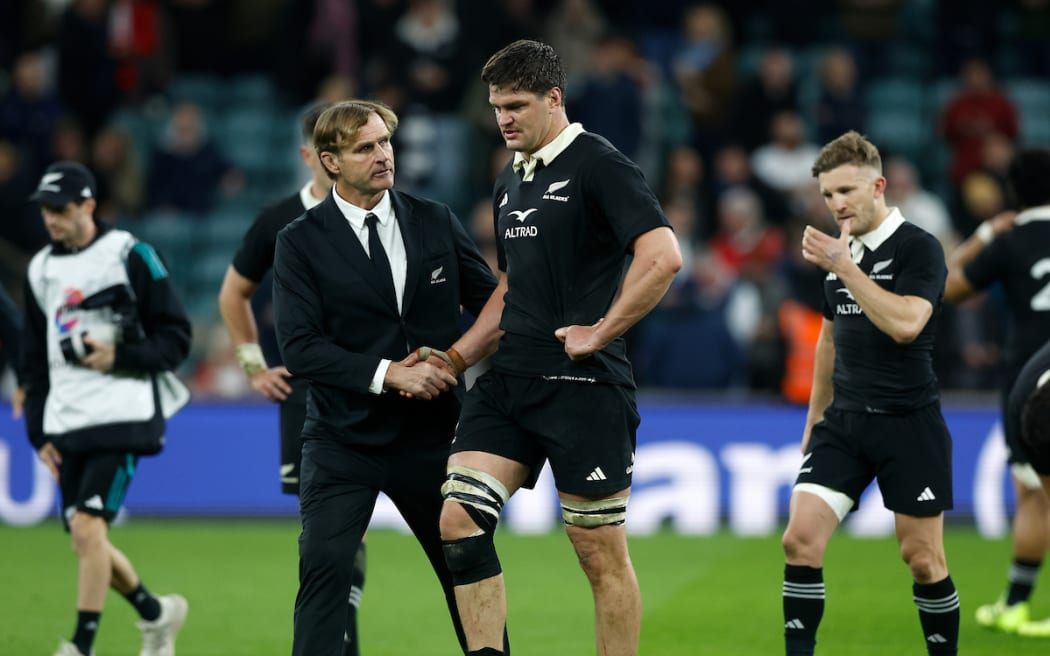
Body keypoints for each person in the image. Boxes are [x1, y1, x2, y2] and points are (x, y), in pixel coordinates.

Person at [430, 40, 682, 656]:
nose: (504, 118)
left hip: (585, 386)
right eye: (495, 107)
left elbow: (663, 256)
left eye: (516, 104)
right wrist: (458, 357)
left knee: (598, 552)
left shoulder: (601, 164)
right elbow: (511, 287)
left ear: (554, 98)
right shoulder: (509, 179)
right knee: (458, 521)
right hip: (511, 380)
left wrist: (601, 331)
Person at [272, 100, 498, 656]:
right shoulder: (299, 242)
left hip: (431, 438)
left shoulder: (435, 219)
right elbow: (299, 349)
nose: (383, 156)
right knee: (324, 572)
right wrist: (390, 374)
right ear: (329, 161)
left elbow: (494, 304)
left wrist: (455, 361)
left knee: (465, 572)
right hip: (341, 440)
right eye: (364, 148)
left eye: (385, 143)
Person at [781, 131, 959, 655]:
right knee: (799, 540)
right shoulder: (844, 254)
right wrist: (815, 421)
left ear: (878, 186)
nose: (836, 204)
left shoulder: (919, 248)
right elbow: (829, 342)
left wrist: (844, 266)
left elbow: (906, 324)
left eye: (846, 191)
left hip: (910, 422)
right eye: (828, 194)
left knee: (923, 559)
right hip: (846, 424)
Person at [21, 161, 192, 656]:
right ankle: (157, 613)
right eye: (46, 211)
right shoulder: (40, 269)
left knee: (89, 525)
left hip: (123, 414)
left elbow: (176, 338)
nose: (51, 220)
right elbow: (34, 360)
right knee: (84, 538)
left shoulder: (131, 254)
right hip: (67, 419)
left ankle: (80, 644)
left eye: (61, 209)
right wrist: (38, 432)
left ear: (89, 206)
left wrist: (120, 356)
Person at [217, 102, 369, 656]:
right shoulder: (279, 219)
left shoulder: (383, 212)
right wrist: (254, 364)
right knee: (323, 522)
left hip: (370, 384)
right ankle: (339, 631)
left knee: (351, 517)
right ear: (312, 155)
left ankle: (340, 628)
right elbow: (232, 292)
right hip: (306, 390)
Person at [944, 147, 1050, 635]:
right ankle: (1014, 602)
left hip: (1030, 379)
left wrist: (985, 232)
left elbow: (945, 288)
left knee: (1033, 493)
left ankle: (1016, 605)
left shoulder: (1011, 239)